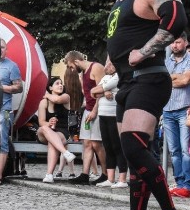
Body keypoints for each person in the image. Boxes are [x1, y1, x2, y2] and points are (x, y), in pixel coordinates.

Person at [95, 0, 190, 210]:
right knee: (134, 157)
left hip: (148, 79)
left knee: (133, 147)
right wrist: (114, 59)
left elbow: (176, 20)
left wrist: (146, 50)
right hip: (126, 84)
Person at [163, 33, 190, 198]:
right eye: (172, 43)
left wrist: (170, 79)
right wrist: (176, 78)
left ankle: (188, 184)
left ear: (185, 42)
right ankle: (179, 183)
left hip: (184, 108)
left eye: (177, 42)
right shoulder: (166, 61)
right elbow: (160, 81)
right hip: (167, 109)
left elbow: (186, 81)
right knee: (174, 150)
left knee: (186, 149)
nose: (174, 45)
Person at [64, 51, 106, 184]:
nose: (71, 69)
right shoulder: (83, 73)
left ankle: (105, 173)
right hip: (88, 109)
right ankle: (84, 174)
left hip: (98, 110)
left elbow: (102, 90)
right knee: (86, 143)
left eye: (71, 66)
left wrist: (95, 111)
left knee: (97, 143)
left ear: (76, 61)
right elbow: (87, 92)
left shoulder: (96, 67)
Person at [90, 66, 128, 188]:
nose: (108, 67)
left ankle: (122, 179)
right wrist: (104, 92)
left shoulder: (118, 76)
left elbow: (98, 90)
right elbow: (93, 92)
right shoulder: (106, 77)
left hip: (113, 114)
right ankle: (110, 178)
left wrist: (101, 91)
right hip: (102, 114)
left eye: (111, 64)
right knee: (107, 147)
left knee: (117, 146)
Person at [36, 76, 76, 183]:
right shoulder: (44, 102)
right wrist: (49, 123)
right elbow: (41, 122)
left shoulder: (65, 97)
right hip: (45, 131)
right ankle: (65, 153)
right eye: (57, 83)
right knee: (44, 128)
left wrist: (48, 94)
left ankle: (49, 175)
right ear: (50, 87)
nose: (60, 85)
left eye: (61, 83)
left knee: (52, 142)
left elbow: (57, 99)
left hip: (62, 131)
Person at [0, 37, 23, 186]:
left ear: (6, 49)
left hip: (4, 110)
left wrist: (1, 87)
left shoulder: (12, 66)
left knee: (2, 141)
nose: (0, 50)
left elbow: (19, 88)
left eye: (3, 47)